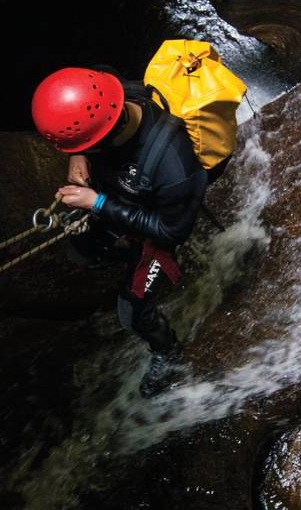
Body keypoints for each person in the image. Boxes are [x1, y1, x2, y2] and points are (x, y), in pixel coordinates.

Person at [31, 67, 207, 396]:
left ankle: (168, 352)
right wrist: (77, 153)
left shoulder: (174, 164)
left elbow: (172, 232)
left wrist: (97, 203)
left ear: (105, 135)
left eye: (87, 144)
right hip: (118, 195)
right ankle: (119, 250)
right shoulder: (109, 93)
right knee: (81, 252)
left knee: (133, 313)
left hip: (155, 230)